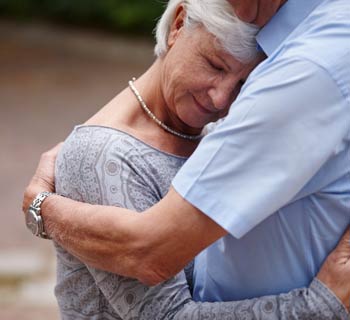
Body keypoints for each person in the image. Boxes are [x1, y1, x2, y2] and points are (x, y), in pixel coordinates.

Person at [23, 0, 350, 318]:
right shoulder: (103, 153)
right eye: (215, 65)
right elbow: (163, 313)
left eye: (241, 86)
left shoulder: (210, 136)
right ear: (178, 25)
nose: (221, 97)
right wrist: (319, 305)